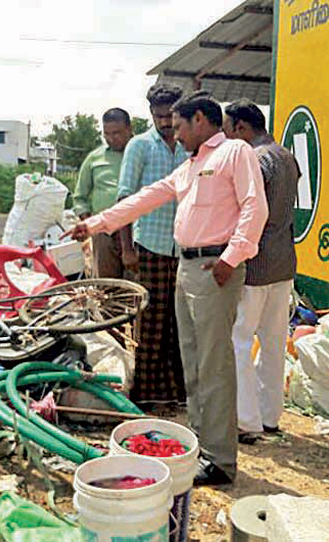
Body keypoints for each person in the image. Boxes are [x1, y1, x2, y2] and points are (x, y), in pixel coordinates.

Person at [66, 91, 268, 485]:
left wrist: (232, 257)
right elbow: (146, 198)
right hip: (187, 266)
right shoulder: (192, 166)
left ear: (200, 121)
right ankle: (200, 447)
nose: (174, 135)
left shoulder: (234, 154)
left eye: (178, 126)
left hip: (215, 268)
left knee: (214, 366)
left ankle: (221, 460)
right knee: (192, 363)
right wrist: (94, 225)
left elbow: (254, 207)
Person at [222, 99, 299, 442]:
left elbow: (249, 215)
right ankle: (269, 416)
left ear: (240, 127)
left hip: (254, 263)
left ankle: (245, 420)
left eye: (226, 128)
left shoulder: (252, 159)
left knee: (239, 340)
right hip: (284, 261)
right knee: (272, 342)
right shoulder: (285, 156)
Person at [117, 83, 190, 404]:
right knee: (149, 323)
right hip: (150, 246)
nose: (164, 122)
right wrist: (126, 249)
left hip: (185, 247)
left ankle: (177, 393)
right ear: (151, 114)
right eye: (158, 116)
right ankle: (146, 395)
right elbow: (125, 199)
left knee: (180, 323)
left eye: (169, 116)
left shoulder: (191, 146)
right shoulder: (140, 146)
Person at [73, 108, 133, 278]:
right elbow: (80, 197)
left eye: (117, 133)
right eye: (107, 134)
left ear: (129, 129)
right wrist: (89, 223)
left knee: (136, 286)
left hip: (137, 231)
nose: (112, 138)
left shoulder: (141, 153)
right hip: (104, 232)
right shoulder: (95, 158)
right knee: (107, 285)